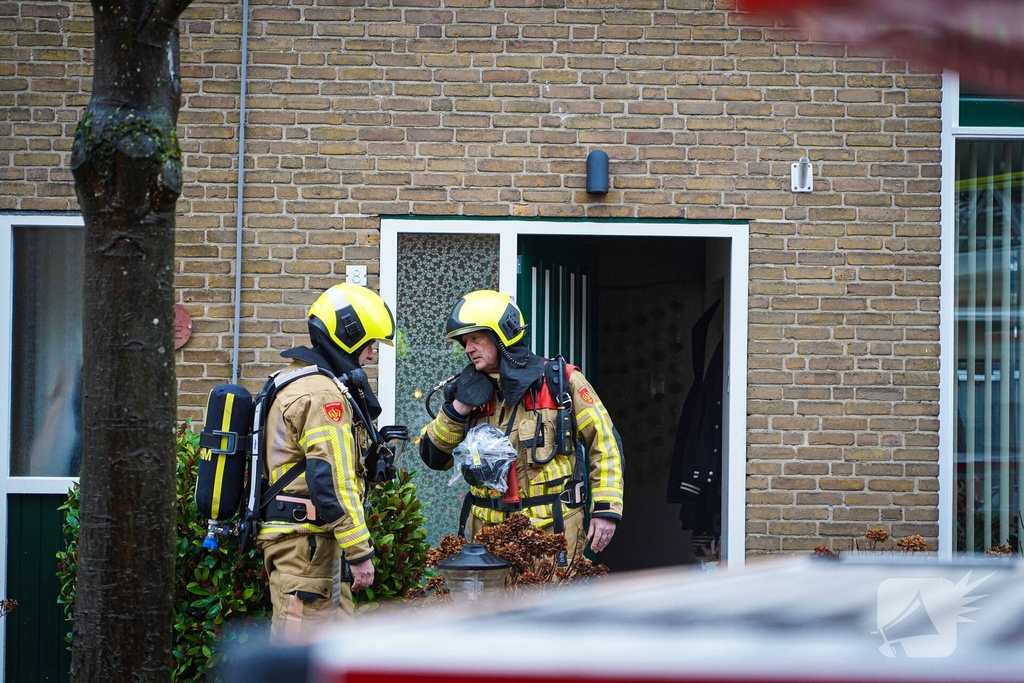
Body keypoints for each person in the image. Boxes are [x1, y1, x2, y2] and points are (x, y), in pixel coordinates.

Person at [419, 290, 623, 562]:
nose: (468, 349)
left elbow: (604, 443)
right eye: (464, 342)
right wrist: (458, 410)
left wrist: (605, 510)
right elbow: (435, 457)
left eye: (476, 338)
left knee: (555, 605)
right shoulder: (466, 393)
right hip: (487, 535)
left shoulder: (562, 382)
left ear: (502, 335)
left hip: (552, 530)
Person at [257, 282, 396, 642]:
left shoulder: (294, 379)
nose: (369, 355)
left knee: (335, 659)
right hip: (308, 550)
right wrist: (360, 550)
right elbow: (332, 478)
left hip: (313, 547)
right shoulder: (321, 394)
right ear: (348, 335)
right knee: (302, 663)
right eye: (369, 344)